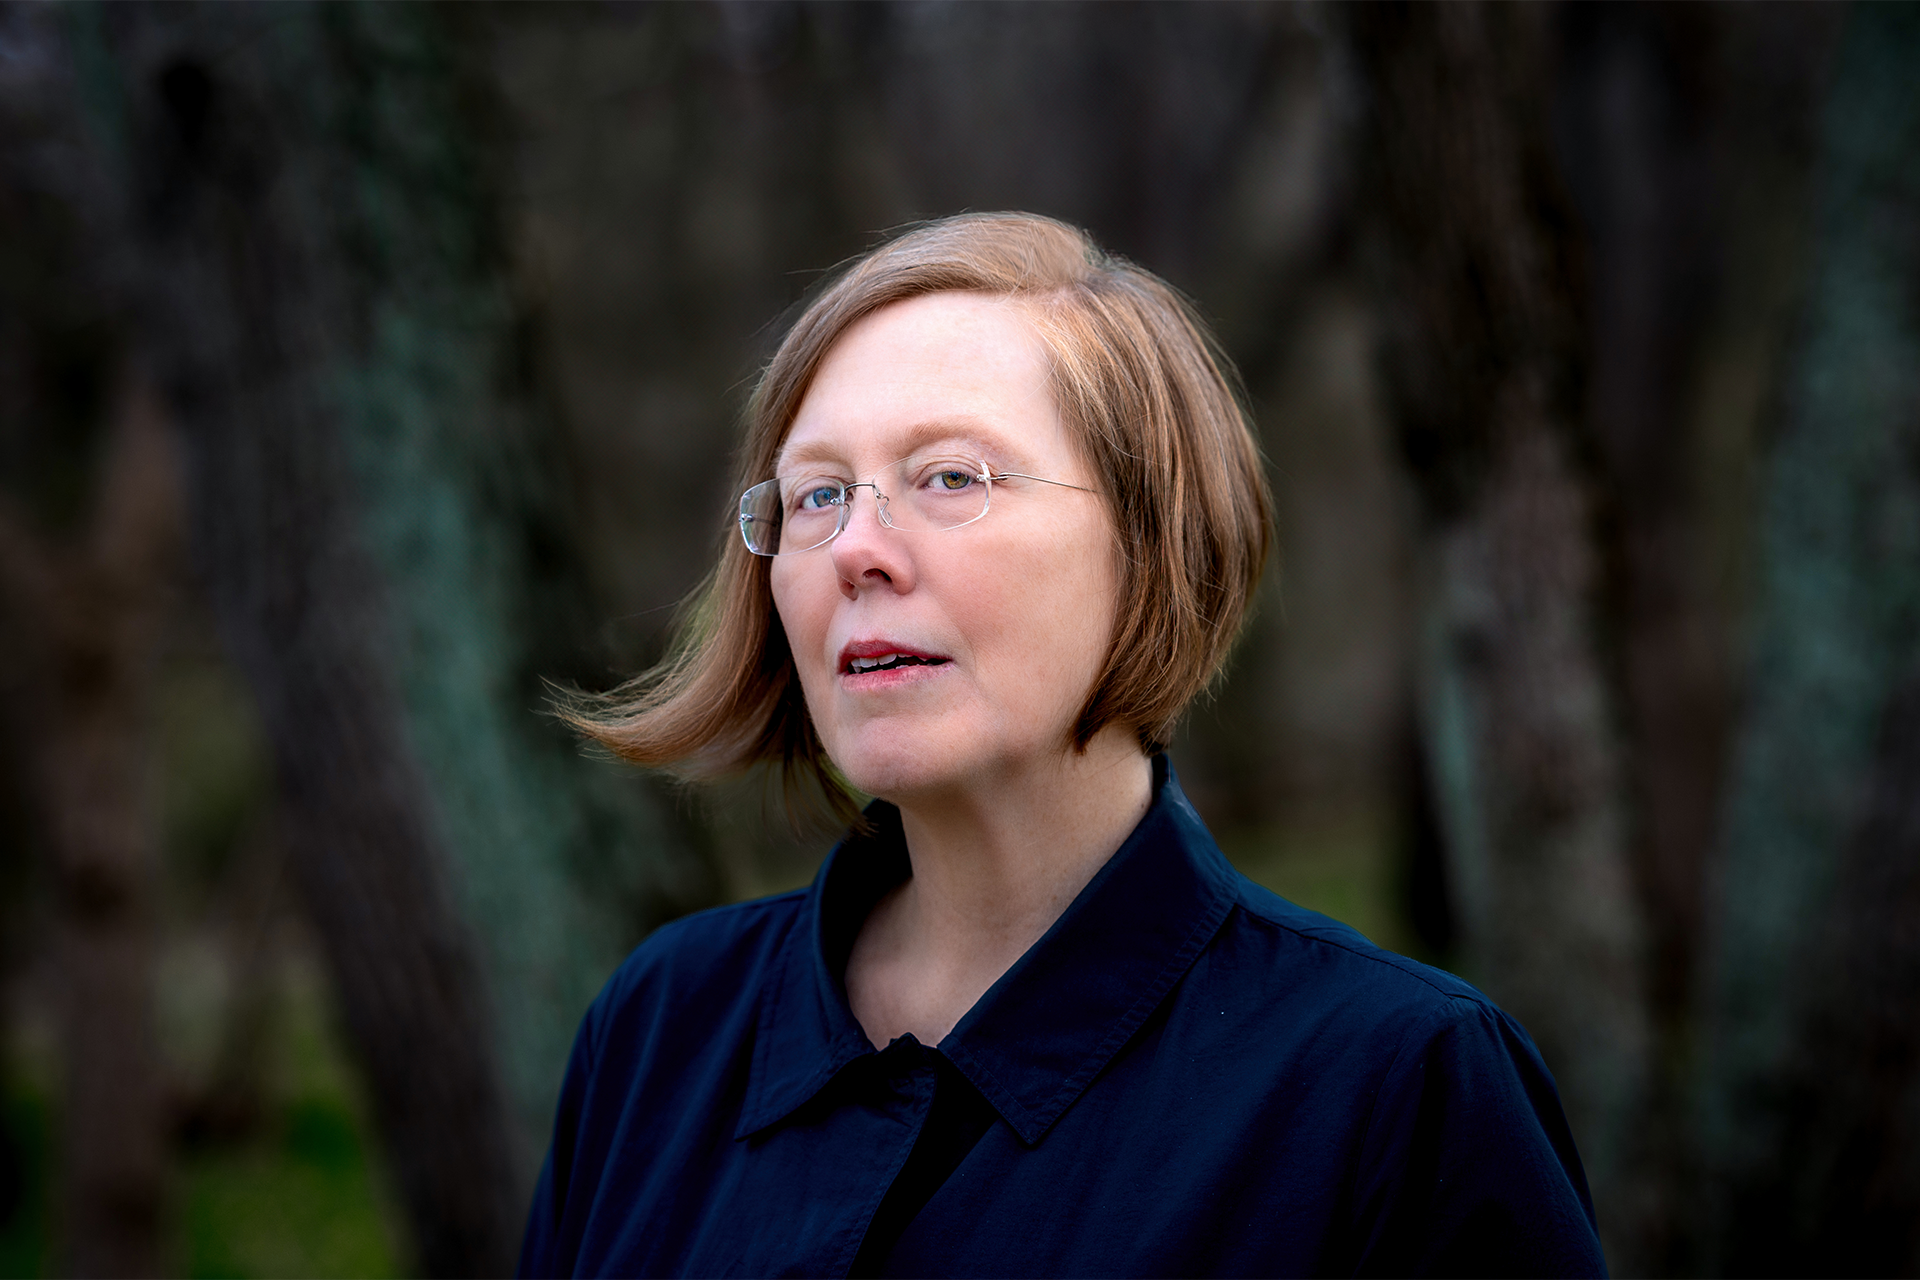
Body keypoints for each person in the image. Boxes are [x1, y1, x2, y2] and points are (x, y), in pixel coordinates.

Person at [516, 213, 1608, 1279]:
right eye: (817, 495)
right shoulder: (662, 1025)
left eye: (950, 476)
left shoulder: (1397, 1085)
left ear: (1151, 541)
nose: (856, 549)